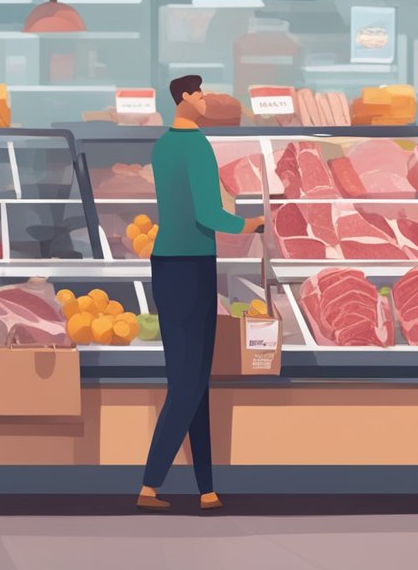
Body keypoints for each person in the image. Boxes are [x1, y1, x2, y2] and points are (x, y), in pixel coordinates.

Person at [137, 75, 265, 512]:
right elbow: (209, 214)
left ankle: (206, 487)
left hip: (166, 264)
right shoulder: (197, 146)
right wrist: (250, 225)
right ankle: (150, 484)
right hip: (192, 265)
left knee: (193, 382)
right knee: (189, 383)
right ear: (184, 99)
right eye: (201, 94)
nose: (206, 100)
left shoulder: (162, 147)